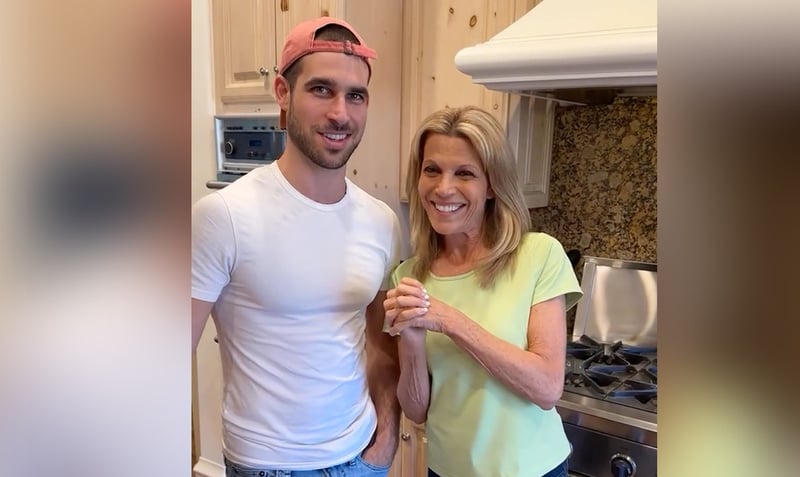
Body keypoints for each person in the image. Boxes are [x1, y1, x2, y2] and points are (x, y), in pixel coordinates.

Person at [192, 17, 402, 477]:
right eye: (322, 89)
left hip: (362, 456)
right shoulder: (224, 216)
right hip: (269, 465)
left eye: (356, 96)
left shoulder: (381, 222)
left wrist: (386, 434)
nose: (341, 114)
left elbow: (383, 340)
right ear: (284, 94)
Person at [383, 106, 583, 477]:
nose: (443, 188)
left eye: (465, 173)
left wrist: (449, 320)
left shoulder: (538, 254)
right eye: (432, 170)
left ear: (491, 185)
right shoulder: (409, 276)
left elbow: (546, 387)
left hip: (533, 471)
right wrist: (410, 338)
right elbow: (416, 410)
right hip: (445, 470)